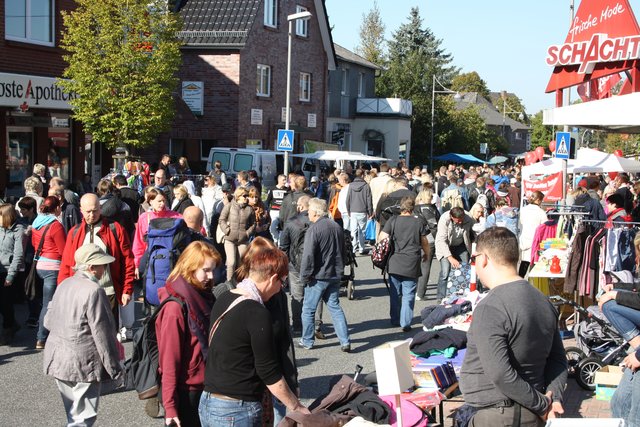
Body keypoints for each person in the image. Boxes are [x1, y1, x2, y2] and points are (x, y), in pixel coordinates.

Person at [459, 227, 567, 426]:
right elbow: (558, 360)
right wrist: (553, 398)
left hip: (500, 414)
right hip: (527, 413)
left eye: (474, 259)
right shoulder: (544, 301)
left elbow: (500, 373)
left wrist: (544, 404)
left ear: (483, 259)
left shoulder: (490, 306)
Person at [199, 245, 309, 426]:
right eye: (282, 281)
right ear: (273, 278)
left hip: (209, 400)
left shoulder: (224, 298)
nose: (281, 287)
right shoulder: (257, 313)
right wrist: (296, 406)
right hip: (236, 408)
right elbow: (268, 371)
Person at [43, 244, 123, 427]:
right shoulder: (94, 291)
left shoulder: (64, 283)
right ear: (91, 267)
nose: (105, 269)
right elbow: (102, 334)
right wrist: (115, 368)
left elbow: (48, 321)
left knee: (73, 416)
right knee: (83, 419)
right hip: (83, 362)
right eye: (102, 265)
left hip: (58, 359)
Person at [156, 241, 221, 427]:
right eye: (205, 270)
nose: (211, 276)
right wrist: (170, 407)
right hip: (188, 391)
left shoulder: (202, 296)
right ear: (190, 268)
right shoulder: (175, 308)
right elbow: (169, 360)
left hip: (207, 385)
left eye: (213, 270)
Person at [235, 237, 299, 426]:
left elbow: (285, 339)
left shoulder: (277, 293)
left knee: (278, 418)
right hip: (247, 384)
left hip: (275, 375)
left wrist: (292, 380)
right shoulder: (235, 292)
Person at [59, 194, 136, 332]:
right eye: (88, 211)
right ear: (81, 210)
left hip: (108, 291)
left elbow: (127, 260)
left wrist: (127, 289)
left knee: (109, 335)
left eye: (95, 210)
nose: (92, 215)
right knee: (84, 335)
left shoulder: (115, 228)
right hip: (80, 293)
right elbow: (66, 264)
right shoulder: (74, 233)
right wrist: (62, 292)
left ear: (100, 209)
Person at [298, 198, 351, 352]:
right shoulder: (336, 226)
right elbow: (343, 250)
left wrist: (304, 276)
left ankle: (307, 341)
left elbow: (308, 256)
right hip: (334, 273)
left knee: (308, 310)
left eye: (309, 210)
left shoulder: (314, 229)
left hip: (318, 276)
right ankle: (345, 341)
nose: (307, 212)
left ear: (315, 212)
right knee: (334, 307)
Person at [378, 197, 430, 332]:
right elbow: (424, 241)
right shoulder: (418, 221)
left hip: (394, 261)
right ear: (413, 207)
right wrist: (427, 253)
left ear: (401, 207)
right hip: (411, 262)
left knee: (395, 293)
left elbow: (382, 237)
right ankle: (405, 322)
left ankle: (395, 319)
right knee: (409, 294)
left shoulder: (393, 220)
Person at [31, 196, 66, 350]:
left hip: (40, 264)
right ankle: (41, 337)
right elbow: (62, 249)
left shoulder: (36, 223)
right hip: (53, 266)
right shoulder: (55, 225)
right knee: (49, 303)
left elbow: (34, 244)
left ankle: (45, 334)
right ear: (57, 208)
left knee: (45, 301)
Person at [279, 195, 311, 333]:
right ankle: (316, 323)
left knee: (297, 295)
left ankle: (298, 326)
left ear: (300, 206)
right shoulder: (319, 221)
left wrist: (284, 264)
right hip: (315, 263)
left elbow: (284, 245)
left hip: (295, 262)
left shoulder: (291, 222)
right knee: (315, 294)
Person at [133, 188, 183, 277]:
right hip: (150, 259)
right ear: (151, 201)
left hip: (171, 260)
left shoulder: (176, 216)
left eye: (164, 201)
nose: (162, 204)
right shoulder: (144, 218)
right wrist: (137, 264)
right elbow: (139, 243)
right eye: (159, 201)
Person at [434, 207, 474, 301]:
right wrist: (450, 257)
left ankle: (463, 293)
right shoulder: (444, 219)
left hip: (460, 245)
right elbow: (441, 240)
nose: (460, 222)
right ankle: (441, 297)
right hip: (445, 246)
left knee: (465, 268)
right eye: (458, 220)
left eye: (461, 220)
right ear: (452, 217)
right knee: (445, 271)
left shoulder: (468, 218)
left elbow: (474, 233)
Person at [218, 187, 256, 282]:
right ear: (238, 196)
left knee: (241, 263)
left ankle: (240, 282)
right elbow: (221, 219)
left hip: (243, 240)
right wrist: (227, 230)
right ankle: (229, 283)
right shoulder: (229, 206)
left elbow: (253, 224)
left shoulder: (249, 209)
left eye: (248, 196)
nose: (247, 197)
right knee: (231, 262)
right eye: (245, 195)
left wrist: (247, 233)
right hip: (230, 238)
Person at [0, 204, 25, 345]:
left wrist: (11, 275)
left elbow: (18, 255)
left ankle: (8, 327)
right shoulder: (0, 229)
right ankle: (12, 323)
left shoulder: (18, 230)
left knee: (6, 302)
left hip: (9, 271)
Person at [414, 189, 439, 301]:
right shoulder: (428, 208)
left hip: (414, 239)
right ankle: (420, 293)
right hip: (428, 240)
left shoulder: (414, 208)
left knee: (415, 265)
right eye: (430, 196)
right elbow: (433, 225)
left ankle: (413, 289)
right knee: (425, 266)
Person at [518, 191, 548, 277]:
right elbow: (544, 227)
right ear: (538, 200)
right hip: (536, 240)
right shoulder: (541, 212)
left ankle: (520, 281)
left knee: (524, 263)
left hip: (524, 239)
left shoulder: (523, 210)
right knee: (534, 264)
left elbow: (520, 223)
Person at [346, 169, 373, 255]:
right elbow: (369, 200)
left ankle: (353, 249)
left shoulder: (350, 185)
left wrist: (348, 210)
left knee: (353, 230)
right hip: (362, 210)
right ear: (362, 175)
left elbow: (348, 199)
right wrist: (370, 212)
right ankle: (361, 248)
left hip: (353, 210)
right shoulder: (366, 186)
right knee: (362, 230)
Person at [265, 174, 289, 244]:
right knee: (272, 228)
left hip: (283, 212)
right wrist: (267, 210)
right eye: (283, 180)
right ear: (279, 180)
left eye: (285, 180)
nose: (285, 182)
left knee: (282, 228)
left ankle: (279, 243)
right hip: (274, 211)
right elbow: (267, 201)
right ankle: (276, 240)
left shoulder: (287, 190)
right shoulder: (272, 189)